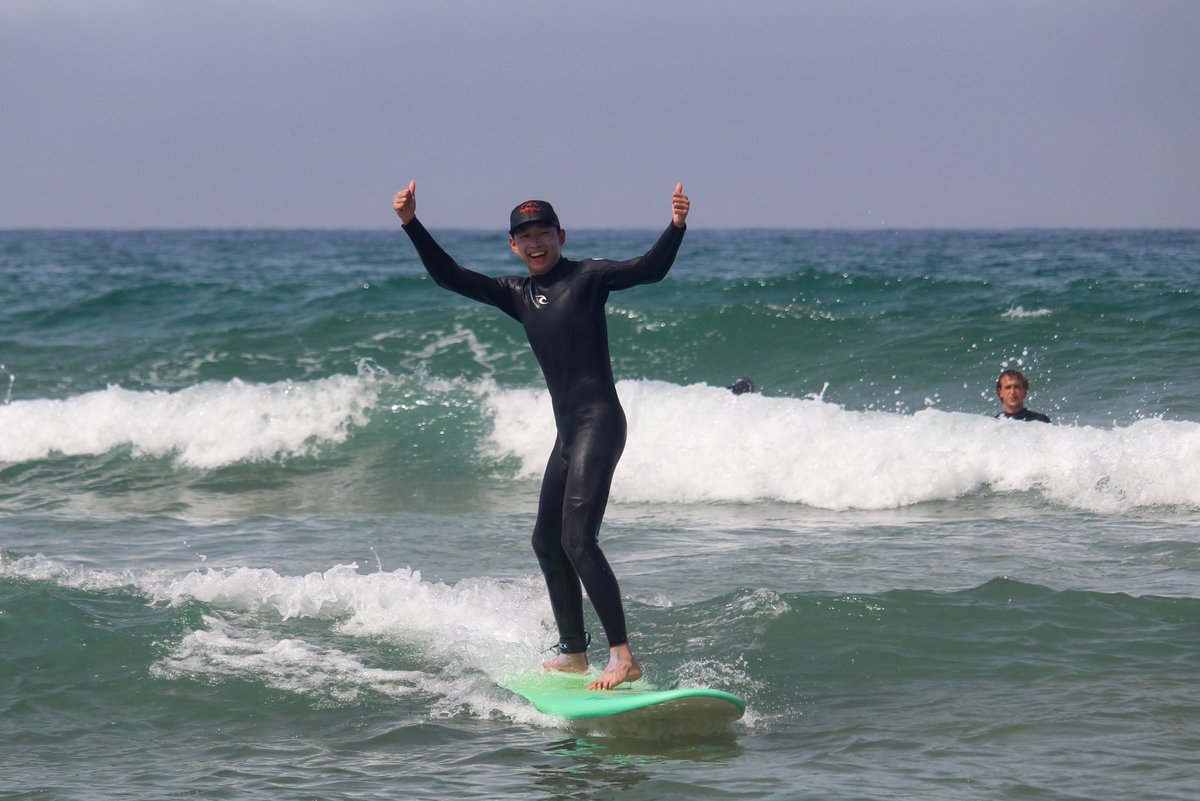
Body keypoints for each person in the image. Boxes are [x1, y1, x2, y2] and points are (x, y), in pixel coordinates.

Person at [392, 180, 690, 690]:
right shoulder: (517, 293)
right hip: (567, 431)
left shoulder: (590, 277)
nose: (535, 243)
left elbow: (649, 270)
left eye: (543, 233)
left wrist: (676, 226)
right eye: (525, 235)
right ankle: (575, 652)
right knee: (547, 541)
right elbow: (451, 277)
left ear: (561, 235)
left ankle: (623, 656)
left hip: (599, 422)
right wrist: (411, 223)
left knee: (578, 539)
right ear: (513, 244)